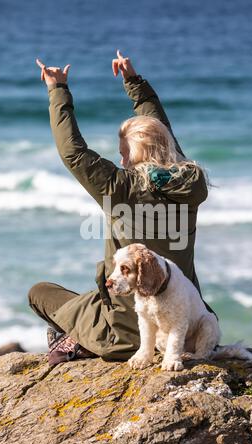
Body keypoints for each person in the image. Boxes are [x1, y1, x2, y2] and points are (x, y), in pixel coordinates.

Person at [28, 50, 216, 365]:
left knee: (40, 292)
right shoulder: (189, 183)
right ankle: (82, 328)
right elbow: (160, 130)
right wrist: (134, 82)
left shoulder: (119, 187)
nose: (121, 160)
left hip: (123, 335)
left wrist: (57, 89)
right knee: (90, 297)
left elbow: (73, 151)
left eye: (124, 154)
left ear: (134, 156)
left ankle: (78, 340)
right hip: (180, 325)